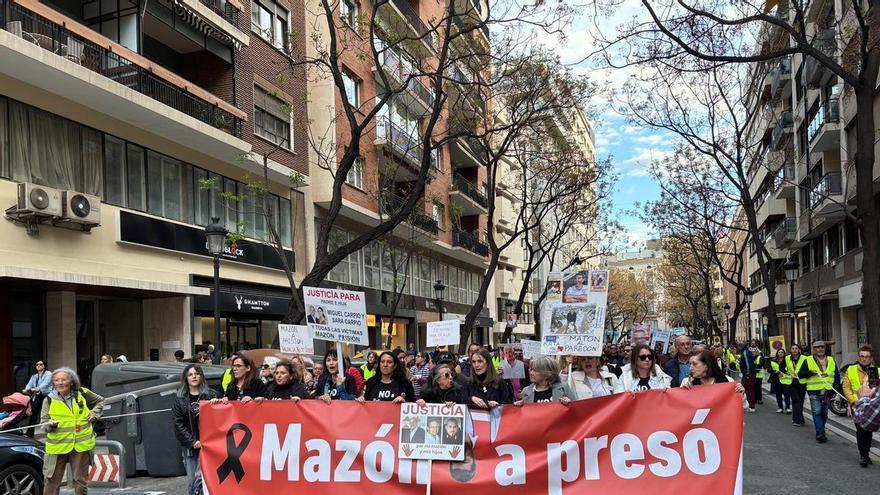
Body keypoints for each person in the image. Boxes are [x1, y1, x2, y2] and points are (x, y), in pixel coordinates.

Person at [41, 367, 105, 495]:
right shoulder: (48, 400)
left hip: (80, 446)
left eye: (64, 379)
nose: (60, 383)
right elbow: (44, 424)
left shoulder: (82, 393)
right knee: (51, 481)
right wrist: (49, 424)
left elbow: (100, 401)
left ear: (71, 381)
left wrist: (94, 414)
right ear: (53, 383)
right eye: (57, 380)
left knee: (80, 481)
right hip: (57, 447)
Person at [172, 364, 218, 495]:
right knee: (193, 482)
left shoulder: (211, 395)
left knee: (207, 480)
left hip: (210, 446)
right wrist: (192, 442)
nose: (194, 376)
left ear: (201, 376)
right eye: (190, 374)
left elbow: (221, 418)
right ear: (186, 378)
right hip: (191, 447)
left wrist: (218, 403)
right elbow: (178, 424)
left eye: (197, 374)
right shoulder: (179, 398)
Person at [843, 345, 878, 466]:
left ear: (871, 358)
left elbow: (877, 390)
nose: (864, 359)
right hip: (856, 406)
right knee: (860, 431)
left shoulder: (876, 371)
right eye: (862, 356)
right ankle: (863, 455)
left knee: (868, 431)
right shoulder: (851, 369)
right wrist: (853, 400)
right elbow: (846, 388)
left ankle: (866, 453)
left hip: (870, 408)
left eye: (867, 357)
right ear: (859, 357)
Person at [799, 340, 839, 443]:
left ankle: (821, 430)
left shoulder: (831, 359)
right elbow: (801, 374)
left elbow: (836, 375)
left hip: (827, 391)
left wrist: (836, 389)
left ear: (825, 348)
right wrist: (810, 373)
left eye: (822, 347)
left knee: (824, 413)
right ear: (814, 349)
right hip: (814, 391)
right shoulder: (808, 360)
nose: (820, 349)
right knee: (817, 412)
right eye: (817, 347)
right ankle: (820, 433)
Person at [681, 351, 746, 397]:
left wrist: (741, 394)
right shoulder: (687, 382)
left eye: (695, 364)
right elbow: (684, 408)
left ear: (706, 365)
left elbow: (744, 406)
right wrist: (684, 392)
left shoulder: (728, 381)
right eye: (690, 364)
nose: (690, 368)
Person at [23, 359, 52, 437]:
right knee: (33, 414)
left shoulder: (48, 374)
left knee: (48, 414)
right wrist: (26, 389)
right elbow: (29, 384)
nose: (38, 366)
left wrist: (36, 388)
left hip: (46, 396)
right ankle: (29, 433)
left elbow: (45, 384)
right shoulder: (34, 376)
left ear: (44, 366)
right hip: (37, 396)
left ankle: (51, 431)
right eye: (37, 365)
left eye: (41, 364)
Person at [785, 344, 808, 427]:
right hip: (792, 383)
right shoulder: (787, 358)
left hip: (802, 382)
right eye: (793, 348)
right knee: (795, 400)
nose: (794, 350)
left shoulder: (805, 358)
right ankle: (797, 420)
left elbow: (807, 370)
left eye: (796, 348)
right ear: (790, 350)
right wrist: (787, 373)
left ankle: (797, 417)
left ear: (799, 350)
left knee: (800, 401)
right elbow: (781, 368)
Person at [769, 348, 792, 414]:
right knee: (778, 394)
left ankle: (787, 408)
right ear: (777, 353)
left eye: (782, 352)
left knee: (787, 395)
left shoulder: (788, 360)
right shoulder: (773, 361)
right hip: (776, 380)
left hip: (786, 380)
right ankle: (780, 408)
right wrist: (776, 372)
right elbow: (769, 369)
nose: (781, 353)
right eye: (779, 352)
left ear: (784, 354)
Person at [739, 342, 759, 412]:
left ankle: (751, 406)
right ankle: (748, 405)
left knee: (749, 390)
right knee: (747, 390)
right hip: (749, 374)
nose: (739, 346)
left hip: (748, 375)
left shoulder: (745, 353)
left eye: (741, 344)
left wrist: (747, 374)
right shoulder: (747, 352)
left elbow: (748, 365)